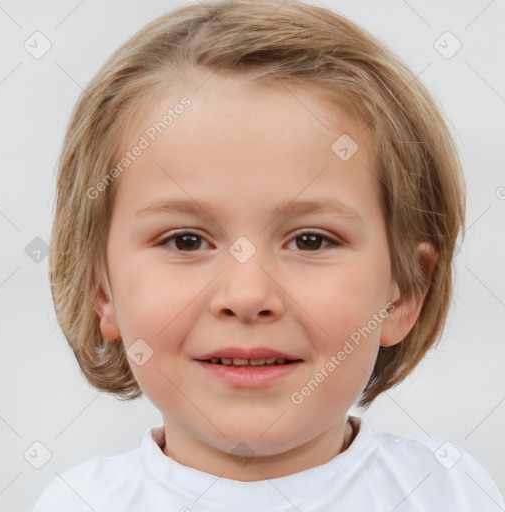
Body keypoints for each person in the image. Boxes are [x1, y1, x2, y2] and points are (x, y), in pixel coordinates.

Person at [33, 0, 505, 510]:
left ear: (405, 291)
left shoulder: (449, 492)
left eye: (310, 240)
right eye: (186, 241)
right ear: (101, 289)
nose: (248, 295)